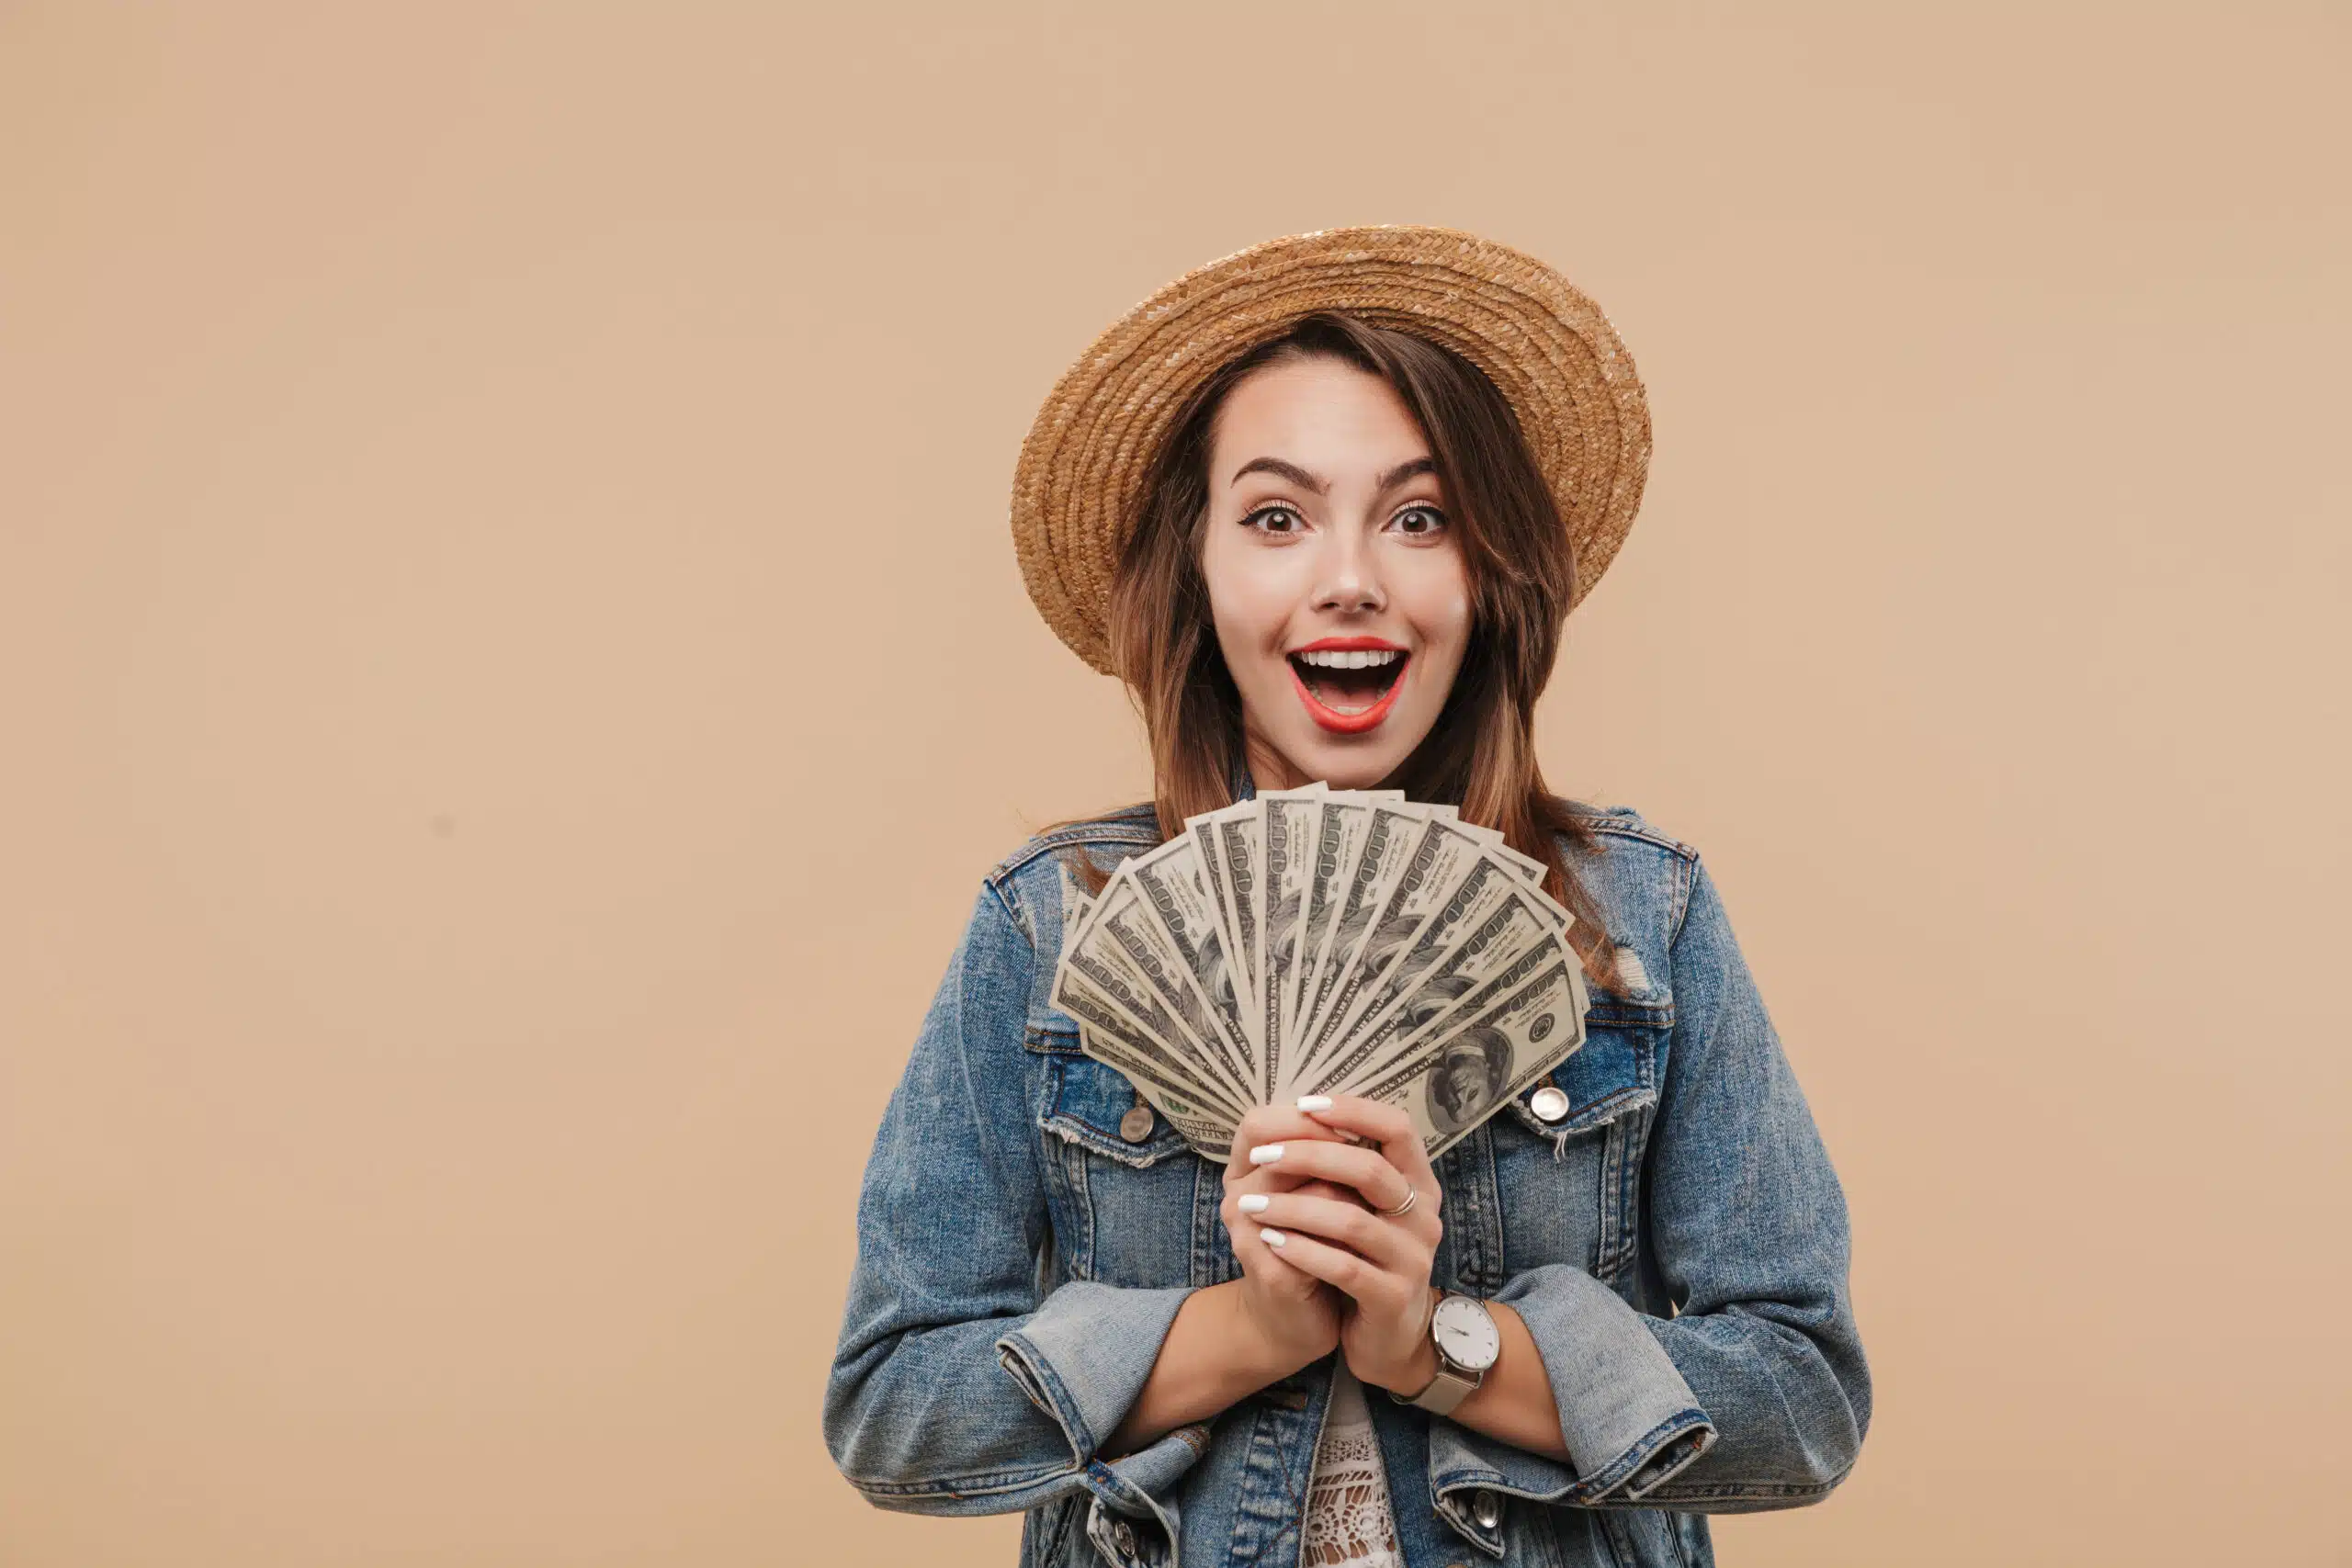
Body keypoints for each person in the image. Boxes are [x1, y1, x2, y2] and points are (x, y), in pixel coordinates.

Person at [823, 226, 1870, 1568]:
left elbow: (1804, 1396)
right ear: (1195, 574)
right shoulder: (1045, 924)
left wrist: (1440, 1345)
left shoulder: (1645, 921)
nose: (1352, 577)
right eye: (1276, 516)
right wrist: (1244, 1332)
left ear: (1486, 580)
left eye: (1419, 516)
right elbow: (895, 1411)